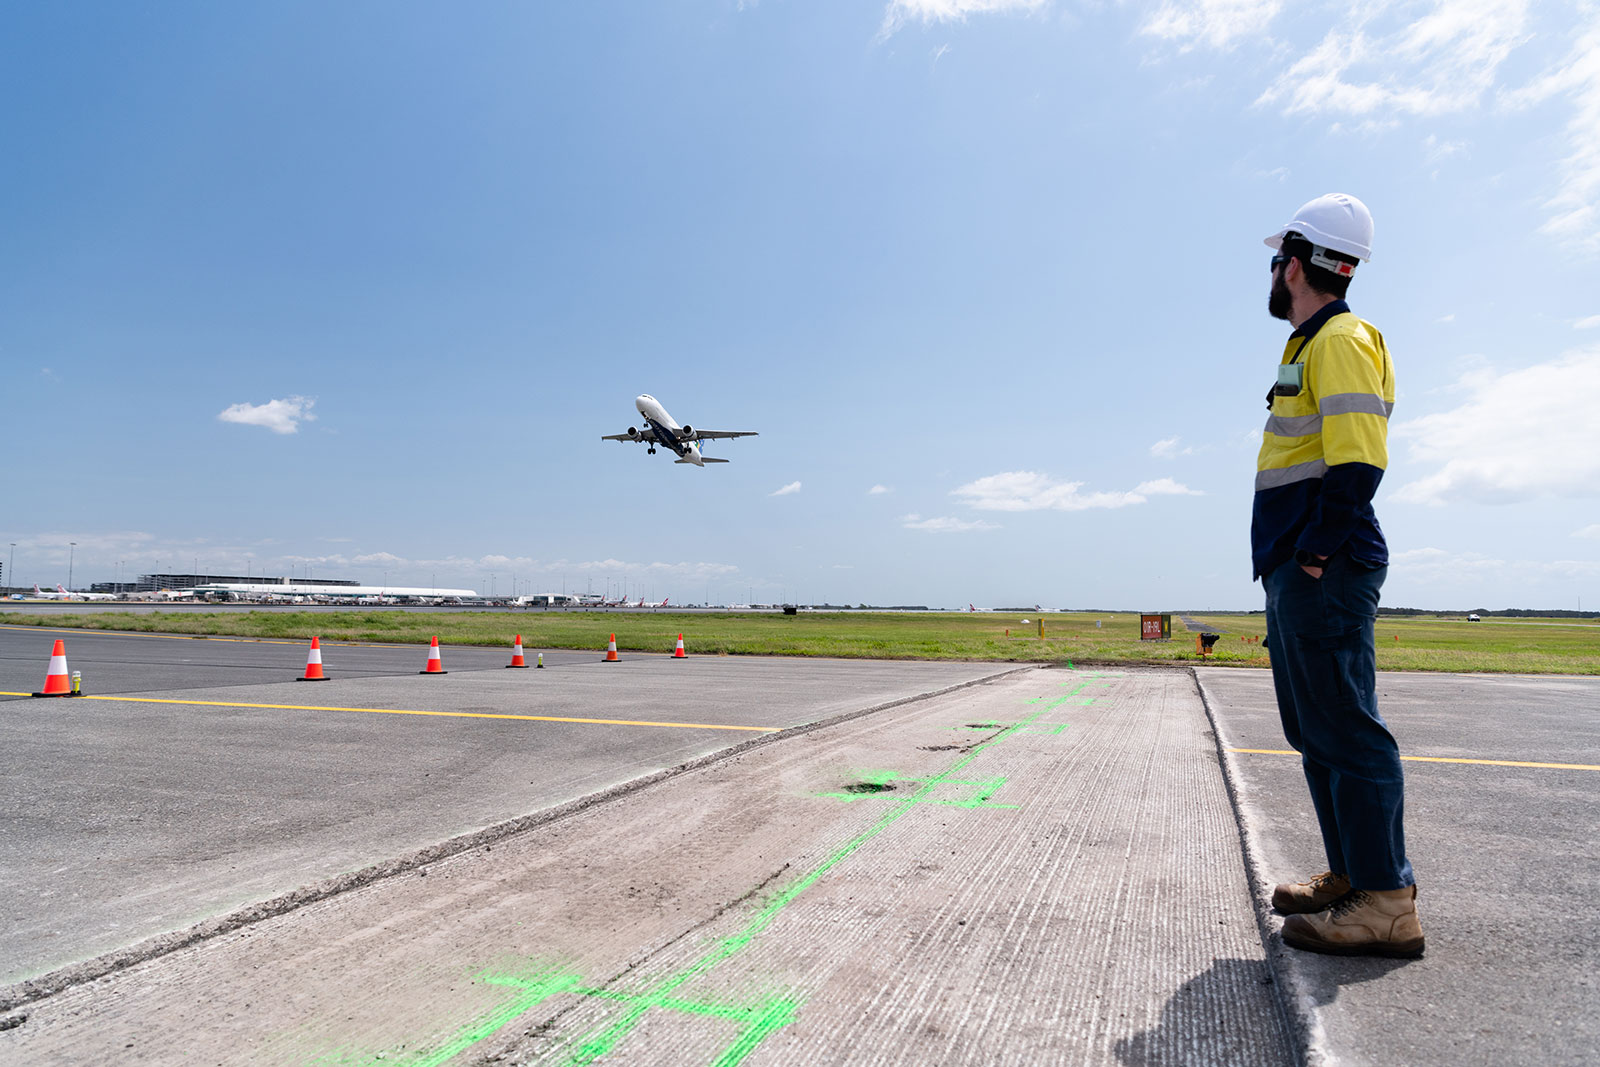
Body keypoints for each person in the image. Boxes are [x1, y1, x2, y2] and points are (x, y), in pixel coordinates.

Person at [1254, 193, 1423, 958]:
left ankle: (1385, 899)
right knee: (1316, 728)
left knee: (1347, 728)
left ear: (1295, 263)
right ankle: (1354, 877)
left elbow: (1360, 458)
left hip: (1325, 563)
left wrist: (1317, 550)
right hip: (1300, 563)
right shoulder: (1310, 343)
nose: (1272, 274)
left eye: (1275, 262)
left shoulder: (1341, 340)